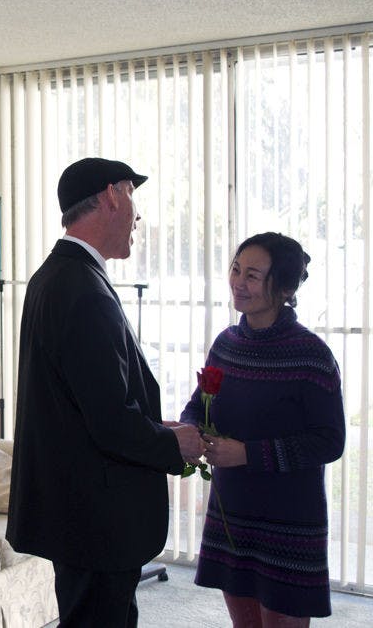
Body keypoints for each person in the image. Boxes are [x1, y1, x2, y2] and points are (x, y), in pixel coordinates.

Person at [6, 157, 206, 627]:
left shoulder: (56, 276)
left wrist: (157, 427)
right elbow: (109, 421)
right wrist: (174, 444)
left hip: (80, 513)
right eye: (133, 197)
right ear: (113, 195)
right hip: (97, 520)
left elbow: (81, 404)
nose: (137, 217)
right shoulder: (82, 289)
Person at [180, 232, 344, 626]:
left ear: (284, 288)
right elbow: (200, 405)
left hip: (288, 520)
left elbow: (329, 441)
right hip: (233, 512)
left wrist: (248, 453)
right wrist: (189, 431)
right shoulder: (227, 343)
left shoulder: (311, 355)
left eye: (253, 275)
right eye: (236, 269)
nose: (239, 281)